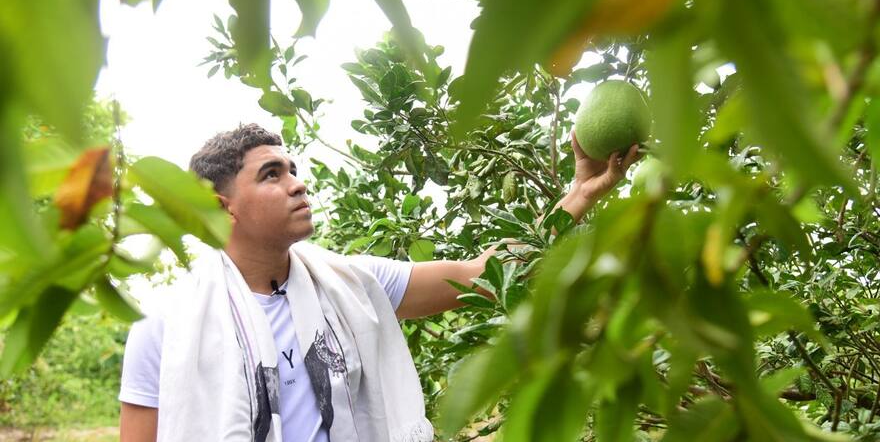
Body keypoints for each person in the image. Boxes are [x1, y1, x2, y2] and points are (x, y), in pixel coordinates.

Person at [118, 123, 639, 442]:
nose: (299, 183)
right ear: (221, 206)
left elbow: (484, 277)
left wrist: (579, 195)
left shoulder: (350, 286)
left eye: (293, 168)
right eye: (271, 175)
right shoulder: (165, 328)